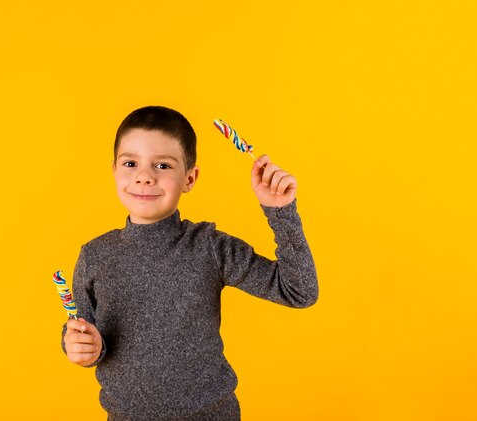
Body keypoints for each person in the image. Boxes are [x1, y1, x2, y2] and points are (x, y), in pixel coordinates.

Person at [61, 105, 319, 420]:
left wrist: (281, 212)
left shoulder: (210, 247)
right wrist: (80, 346)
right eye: (131, 163)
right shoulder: (94, 255)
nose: (144, 177)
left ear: (190, 178)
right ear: (114, 170)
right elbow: (88, 335)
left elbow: (299, 291)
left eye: (163, 165)